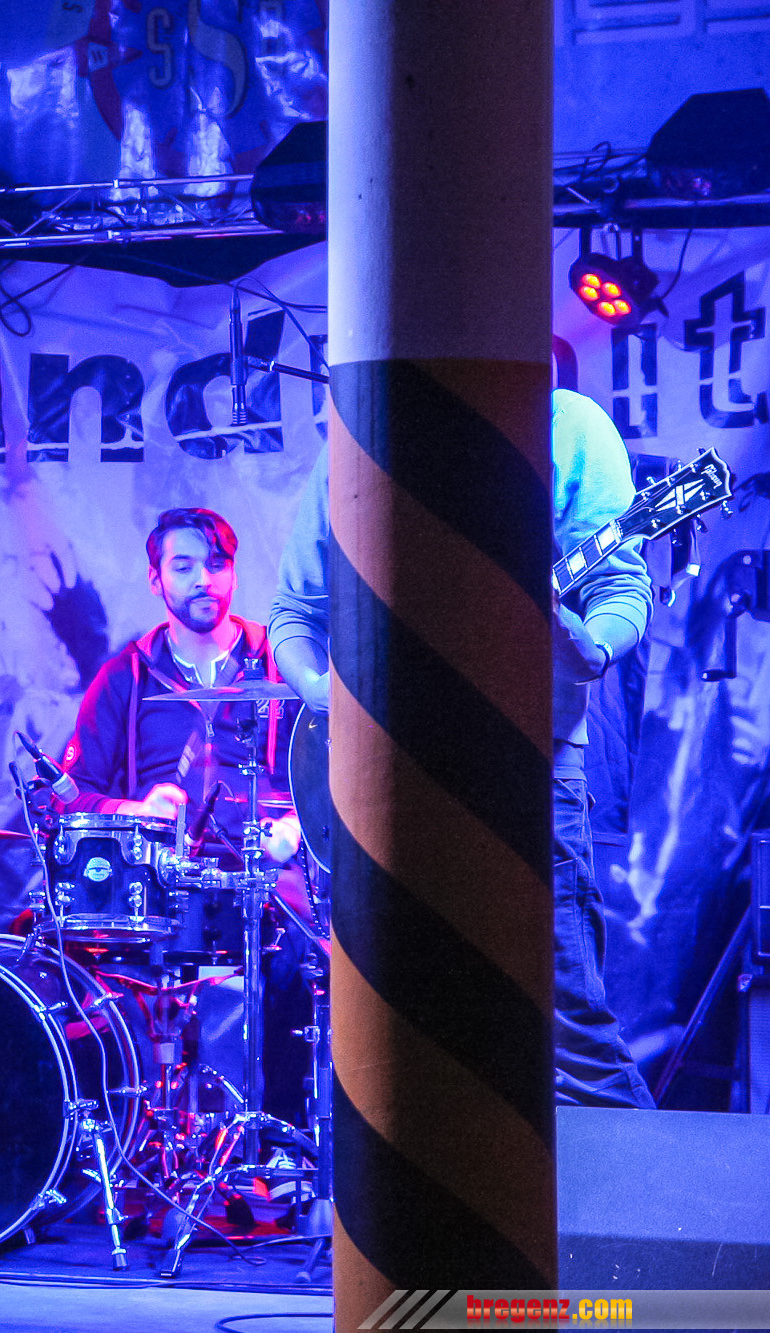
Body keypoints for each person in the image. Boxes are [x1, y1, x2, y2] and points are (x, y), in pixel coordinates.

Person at [266, 387, 655, 1109]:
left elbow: (621, 585)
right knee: (413, 1028)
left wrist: (589, 645)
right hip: (387, 779)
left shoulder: (569, 427)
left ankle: (637, 1184)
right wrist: (329, 694)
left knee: (568, 1033)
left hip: (528, 765)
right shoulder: (360, 436)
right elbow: (295, 611)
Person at [60, 508, 302, 865]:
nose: (204, 580)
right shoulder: (125, 676)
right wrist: (135, 811)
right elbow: (69, 797)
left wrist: (296, 826)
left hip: (270, 877)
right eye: (183, 568)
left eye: (216, 564)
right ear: (155, 580)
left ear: (234, 575)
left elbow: (341, 777)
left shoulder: (283, 665)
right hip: (159, 878)